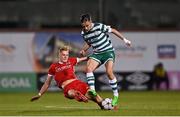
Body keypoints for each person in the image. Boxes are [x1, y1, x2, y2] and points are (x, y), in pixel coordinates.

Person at [79, 14, 132, 108]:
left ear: (90, 21)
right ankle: (93, 91)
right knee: (88, 69)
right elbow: (89, 42)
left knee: (109, 72)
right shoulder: (83, 33)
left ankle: (116, 96)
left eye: (87, 25)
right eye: (84, 26)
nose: (86, 28)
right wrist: (84, 50)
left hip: (108, 52)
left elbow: (113, 30)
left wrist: (125, 40)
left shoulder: (99, 26)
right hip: (97, 54)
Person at [30, 46, 103, 109]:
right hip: (67, 86)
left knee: (95, 96)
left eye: (67, 55)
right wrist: (39, 94)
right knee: (71, 93)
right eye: (63, 55)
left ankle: (105, 105)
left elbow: (86, 58)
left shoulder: (71, 60)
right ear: (59, 55)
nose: (65, 56)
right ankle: (77, 95)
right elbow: (47, 83)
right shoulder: (53, 67)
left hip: (77, 83)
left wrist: (96, 55)